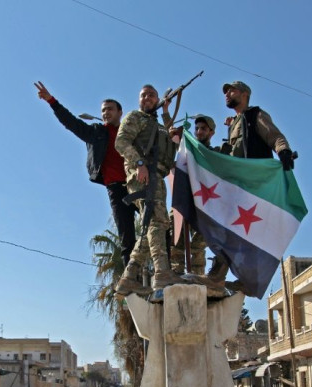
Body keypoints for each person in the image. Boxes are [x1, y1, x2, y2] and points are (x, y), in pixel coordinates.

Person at [200, 81, 296, 290]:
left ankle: (224, 278)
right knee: (238, 232)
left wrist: (284, 151)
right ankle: (242, 279)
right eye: (225, 91)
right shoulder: (236, 122)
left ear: (245, 94)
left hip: (254, 185)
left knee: (241, 231)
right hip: (239, 186)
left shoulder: (255, 116)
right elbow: (231, 153)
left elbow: (274, 136)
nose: (227, 94)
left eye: (231, 90)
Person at [34, 81, 137, 268]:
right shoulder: (97, 132)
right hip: (116, 188)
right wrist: (52, 101)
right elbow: (71, 123)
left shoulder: (131, 133)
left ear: (120, 112)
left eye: (110, 109)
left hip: (138, 184)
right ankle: (132, 279)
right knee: (127, 235)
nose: (106, 113)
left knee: (159, 225)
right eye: (103, 110)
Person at [114, 84, 184, 295]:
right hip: (143, 175)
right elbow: (121, 142)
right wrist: (139, 164)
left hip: (157, 176)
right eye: (144, 95)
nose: (148, 98)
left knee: (154, 226)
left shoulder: (156, 123)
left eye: (152, 95)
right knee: (156, 222)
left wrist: (165, 112)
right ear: (139, 100)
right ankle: (162, 272)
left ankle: (128, 278)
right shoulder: (135, 117)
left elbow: (168, 135)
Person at [170, 114, 216, 275]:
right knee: (176, 242)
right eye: (197, 128)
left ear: (211, 133)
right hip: (184, 200)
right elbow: (172, 134)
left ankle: (198, 277)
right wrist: (167, 113)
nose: (199, 132)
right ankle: (176, 275)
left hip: (205, 205)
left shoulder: (215, 154)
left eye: (203, 128)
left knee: (198, 245)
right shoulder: (187, 149)